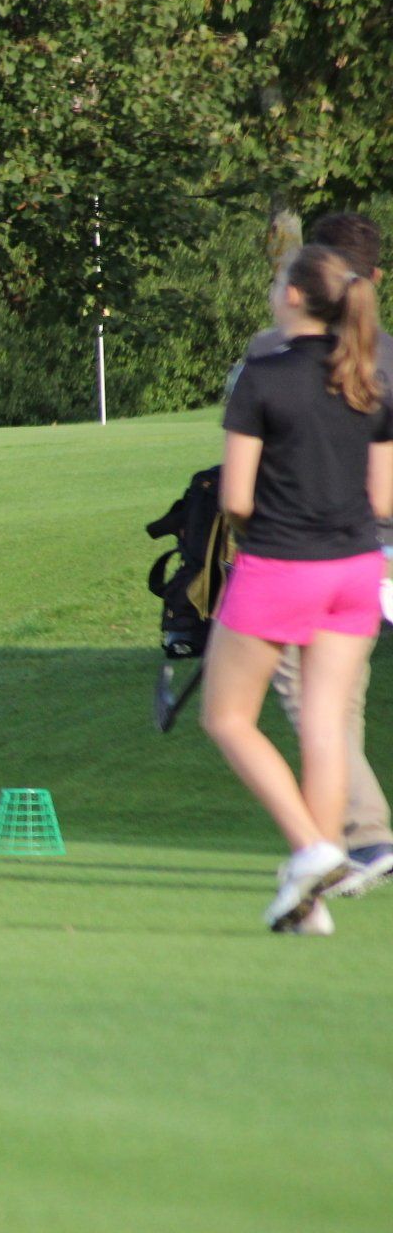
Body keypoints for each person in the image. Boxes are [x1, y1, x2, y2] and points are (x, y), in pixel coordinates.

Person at [202, 244, 393, 934]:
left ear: (292, 298)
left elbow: (237, 497)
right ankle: (313, 888)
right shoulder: (367, 378)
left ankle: (312, 848)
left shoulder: (262, 377)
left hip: (281, 563)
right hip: (355, 570)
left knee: (226, 717)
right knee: (325, 726)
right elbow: (383, 495)